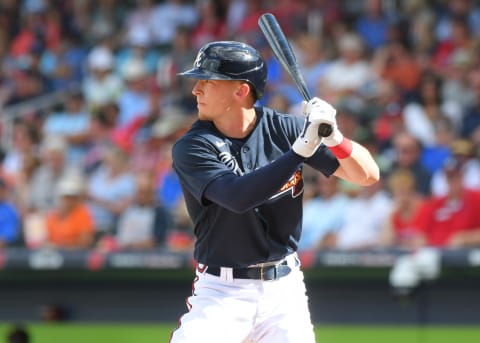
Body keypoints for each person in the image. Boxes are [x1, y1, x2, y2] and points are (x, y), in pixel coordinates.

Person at [169, 41, 379, 343]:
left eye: (208, 81)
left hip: (285, 290)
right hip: (223, 290)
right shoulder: (192, 146)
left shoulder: (285, 129)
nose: (196, 90)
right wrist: (299, 152)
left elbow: (367, 175)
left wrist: (334, 136)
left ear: (241, 90)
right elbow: (237, 197)